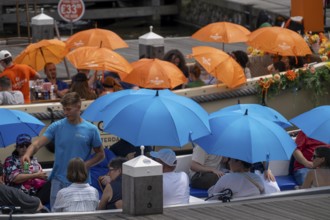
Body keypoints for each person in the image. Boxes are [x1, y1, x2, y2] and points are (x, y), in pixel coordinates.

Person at [22, 92, 105, 209]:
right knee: (56, 215)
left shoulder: (91, 130)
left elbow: (100, 154)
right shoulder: (56, 126)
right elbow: (37, 144)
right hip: (58, 180)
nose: (65, 113)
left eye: (68, 109)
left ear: (78, 107)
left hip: (81, 181)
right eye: (64, 109)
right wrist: (27, 154)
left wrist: (85, 165)